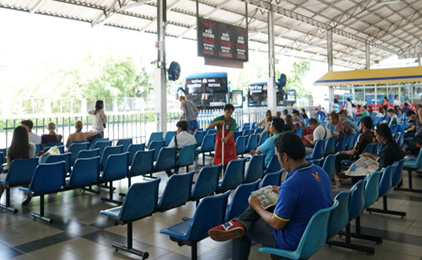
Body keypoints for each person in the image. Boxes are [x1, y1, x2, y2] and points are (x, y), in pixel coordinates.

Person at [208, 132, 333, 260]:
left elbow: (277, 224)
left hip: (292, 239)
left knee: (245, 230)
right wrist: (283, 191)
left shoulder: (292, 185)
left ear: (285, 157)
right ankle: (239, 223)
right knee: (266, 205)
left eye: (277, 156)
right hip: (315, 234)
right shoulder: (320, 171)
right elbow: (306, 193)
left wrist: (257, 207)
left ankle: (239, 224)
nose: (278, 160)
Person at [0, 126, 36, 205]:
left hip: (14, 178)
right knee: (23, 174)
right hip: (28, 176)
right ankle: (28, 193)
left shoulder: (10, 149)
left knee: (1, 178)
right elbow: (31, 161)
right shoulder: (32, 147)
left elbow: (9, 167)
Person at [335, 116, 376, 182]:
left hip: (358, 158)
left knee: (338, 156)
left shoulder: (362, 136)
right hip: (368, 158)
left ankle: (338, 176)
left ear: (363, 124)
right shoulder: (374, 135)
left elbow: (353, 152)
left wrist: (343, 152)